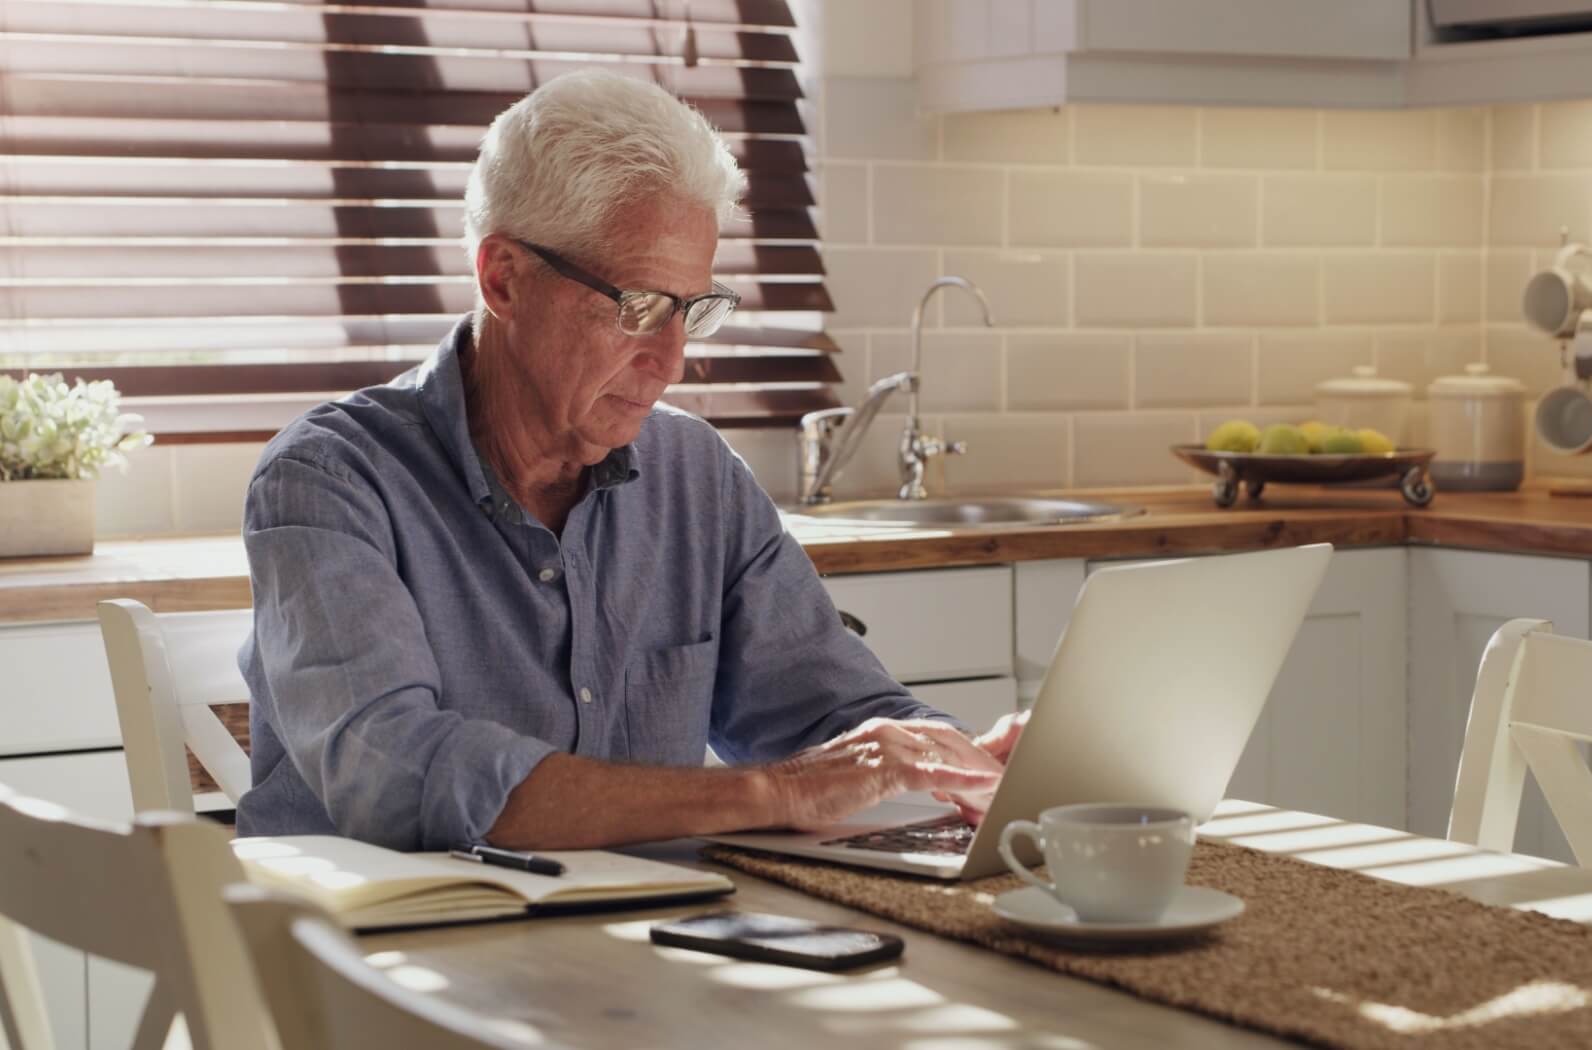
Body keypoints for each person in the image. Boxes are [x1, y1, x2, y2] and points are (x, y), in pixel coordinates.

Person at [235, 70, 1022, 852]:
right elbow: (395, 775)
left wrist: (955, 759)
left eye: (691, 311)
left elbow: (827, 712)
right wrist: (772, 792)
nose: (672, 361)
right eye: (638, 307)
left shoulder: (696, 477)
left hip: (642, 942)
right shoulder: (332, 479)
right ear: (503, 278)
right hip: (381, 951)